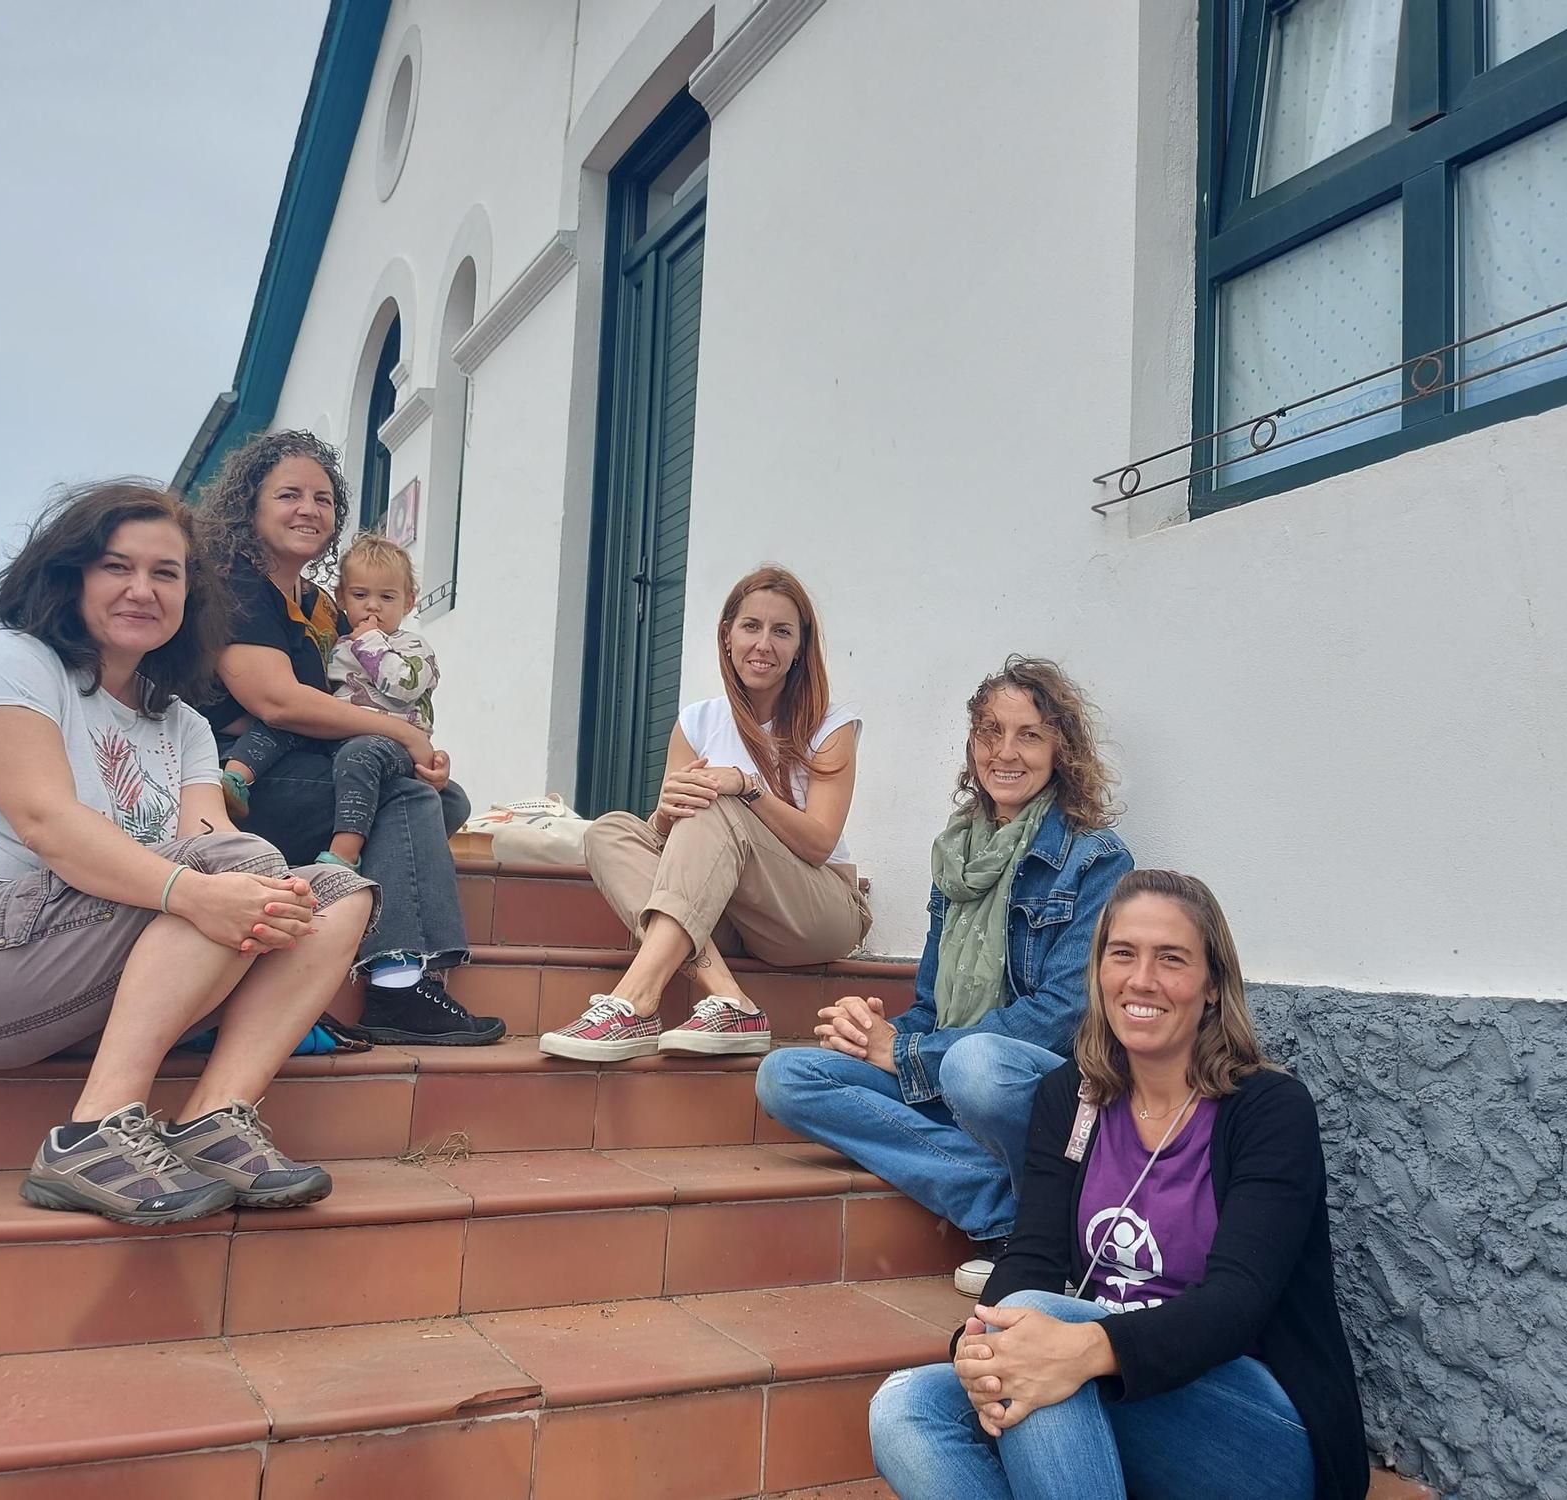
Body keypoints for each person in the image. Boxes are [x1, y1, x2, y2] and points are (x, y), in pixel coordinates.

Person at [0, 481, 379, 1226]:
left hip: (77, 971)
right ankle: (93, 1131)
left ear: (191, 596)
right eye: (115, 567)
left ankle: (215, 1118)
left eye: (166, 573)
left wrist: (262, 896)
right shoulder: (12, 664)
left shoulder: (184, 725)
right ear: (69, 576)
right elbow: (47, 824)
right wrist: (206, 892)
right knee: (233, 876)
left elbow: (210, 844)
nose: (142, 590)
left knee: (336, 891)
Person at [867, 870, 1370, 1500]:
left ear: (1212, 985)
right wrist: (979, 1349)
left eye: (1172, 959)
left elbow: (1240, 1302)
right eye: (1123, 953)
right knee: (908, 1407)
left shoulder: (1268, 1110)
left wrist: (1084, 1349)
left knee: (1041, 1333)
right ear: (1098, 969)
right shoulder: (1071, 1097)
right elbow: (1033, 1253)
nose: (1142, 980)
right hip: (1104, 1377)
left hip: (1255, 1426)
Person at [756, 657, 1131, 1295]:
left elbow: (1062, 1017)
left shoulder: (1094, 860)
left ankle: (1030, 1219)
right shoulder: (957, 856)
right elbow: (931, 1007)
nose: (1005, 753)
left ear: (1061, 751)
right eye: (990, 733)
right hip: (946, 1066)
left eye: (1028, 735)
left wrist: (904, 1052)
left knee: (976, 1066)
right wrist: (877, 1029)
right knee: (786, 1076)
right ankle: (1009, 1209)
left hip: (1029, 1086)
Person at [195, 430, 502, 1046]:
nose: (309, 509)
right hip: (235, 778)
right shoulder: (234, 585)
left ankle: (354, 892)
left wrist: (411, 747)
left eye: (323, 498)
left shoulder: (321, 604)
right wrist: (401, 736)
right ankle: (400, 987)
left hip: (307, 768)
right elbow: (274, 700)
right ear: (250, 505)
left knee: (449, 801)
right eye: (289, 494)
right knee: (408, 799)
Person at [540, 564, 870, 1060]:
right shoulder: (697, 721)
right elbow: (672, 843)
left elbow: (820, 843)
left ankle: (634, 999)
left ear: (801, 647)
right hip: (729, 915)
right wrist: (664, 818)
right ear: (727, 635)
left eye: (782, 631)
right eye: (751, 626)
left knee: (718, 804)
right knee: (610, 831)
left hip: (816, 911)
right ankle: (728, 996)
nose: (764, 644)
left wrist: (748, 788)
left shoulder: (831, 723)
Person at [219, 532, 441, 873]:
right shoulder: (340, 640)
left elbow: (401, 685)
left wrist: (370, 642)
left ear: (409, 602)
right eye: (360, 595)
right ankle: (235, 779)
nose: (372, 606)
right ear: (342, 598)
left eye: (387, 597)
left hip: (385, 741)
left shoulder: (412, 646)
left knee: (359, 759)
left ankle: (345, 853)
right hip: (339, 732)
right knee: (283, 728)